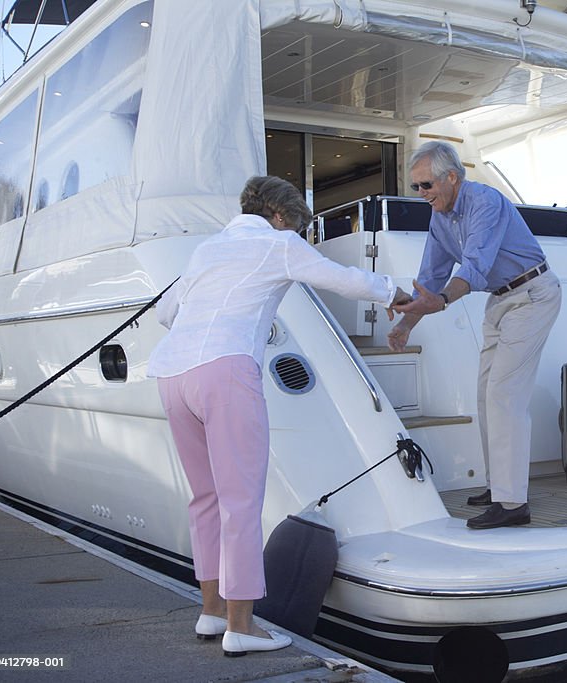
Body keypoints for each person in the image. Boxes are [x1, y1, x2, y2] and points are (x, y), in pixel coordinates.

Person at [148, 176, 409, 656]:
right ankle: (242, 626)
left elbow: (166, 312)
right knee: (240, 501)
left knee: (204, 498)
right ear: (282, 216)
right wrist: (394, 293)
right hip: (225, 373)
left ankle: (211, 611)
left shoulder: (208, 250)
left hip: (172, 374)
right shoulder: (279, 243)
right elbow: (343, 279)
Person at [389, 141, 562, 530]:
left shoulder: (486, 202)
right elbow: (430, 278)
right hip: (500, 301)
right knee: (486, 395)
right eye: (416, 187)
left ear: (452, 177)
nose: (422, 195)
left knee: (504, 394)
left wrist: (444, 301)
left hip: (532, 294)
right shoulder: (440, 217)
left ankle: (512, 503)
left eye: (426, 185)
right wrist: (404, 325)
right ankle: (499, 485)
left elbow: (474, 265)